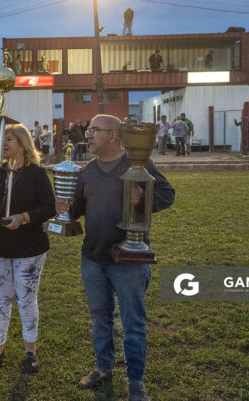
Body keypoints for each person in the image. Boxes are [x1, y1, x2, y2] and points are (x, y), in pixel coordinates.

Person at [55, 114, 174, 401]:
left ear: (112, 135)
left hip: (129, 260)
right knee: (100, 317)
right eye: (89, 129)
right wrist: (66, 208)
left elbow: (167, 193)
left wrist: (143, 200)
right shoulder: (87, 171)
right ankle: (103, 367)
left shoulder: (138, 162)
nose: (89, 135)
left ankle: (135, 381)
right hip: (93, 257)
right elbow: (78, 208)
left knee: (133, 322)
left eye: (94, 130)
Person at [0, 123, 56, 375]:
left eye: (8, 139)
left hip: (29, 247)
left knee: (26, 299)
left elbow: (49, 207)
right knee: (0, 299)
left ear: (22, 144)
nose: (2, 144)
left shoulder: (36, 173)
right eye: (0, 140)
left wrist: (23, 217)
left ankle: (30, 352)